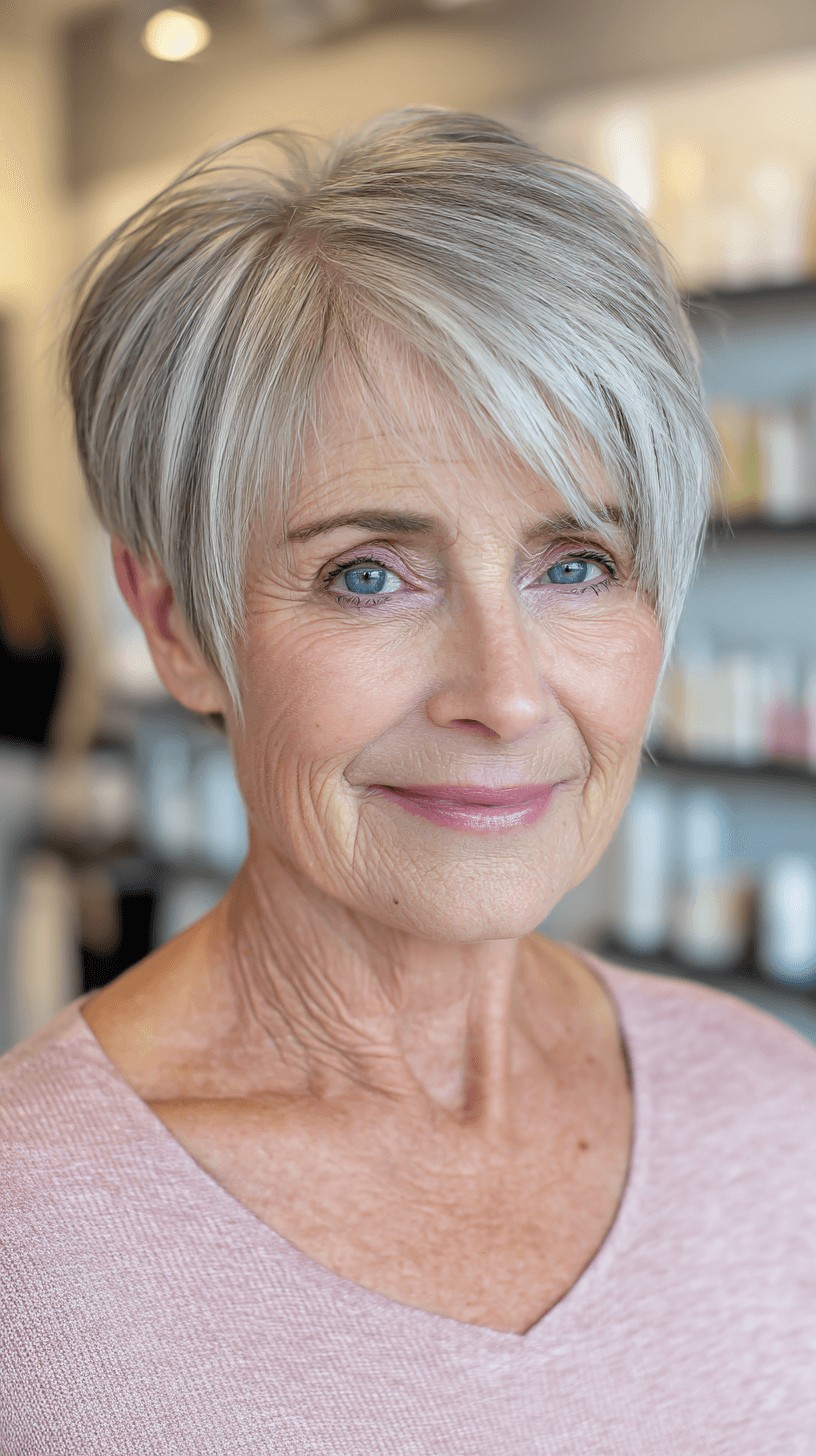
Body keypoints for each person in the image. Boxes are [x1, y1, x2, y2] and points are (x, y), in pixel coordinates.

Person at [1, 108, 814, 1454]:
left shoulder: (775, 1121)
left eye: (577, 564)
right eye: (367, 574)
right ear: (175, 624)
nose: (502, 693)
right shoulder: (33, 1243)